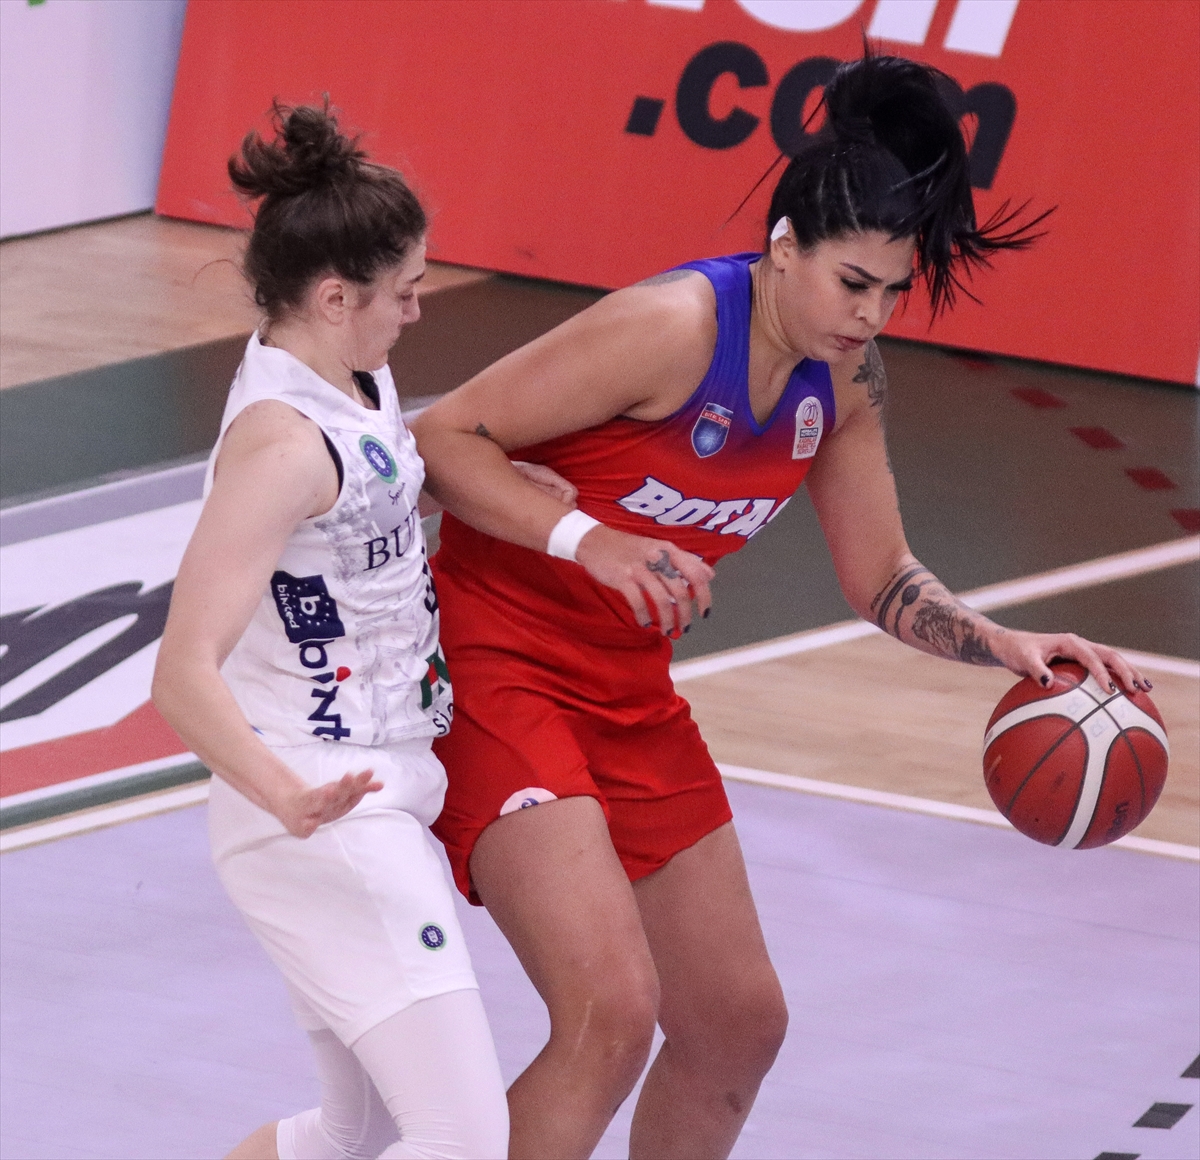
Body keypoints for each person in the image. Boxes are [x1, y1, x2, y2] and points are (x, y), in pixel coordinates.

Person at [408, 52, 1148, 1160]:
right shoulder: (669, 328)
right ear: (786, 246)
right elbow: (440, 439)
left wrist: (1003, 642)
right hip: (492, 662)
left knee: (735, 1025)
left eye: (892, 291)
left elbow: (879, 574)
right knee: (610, 1015)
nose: (871, 314)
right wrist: (591, 539)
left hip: (627, 690)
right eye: (853, 284)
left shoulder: (843, 382)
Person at [153, 103, 523, 1160]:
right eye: (403, 290)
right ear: (332, 296)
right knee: (463, 1138)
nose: (416, 309)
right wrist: (288, 799)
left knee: (353, 1132)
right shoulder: (281, 447)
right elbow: (180, 673)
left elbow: (366, 513)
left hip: (375, 785)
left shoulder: (350, 375)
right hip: (322, 809)